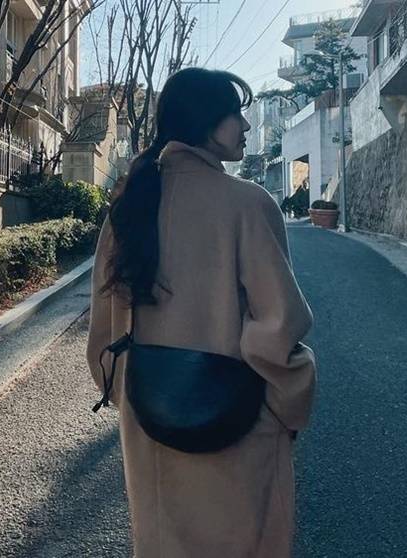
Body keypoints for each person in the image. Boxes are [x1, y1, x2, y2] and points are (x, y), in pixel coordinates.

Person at [86, 67, 317, 558]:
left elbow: (106, 328)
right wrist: (290, 400)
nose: (246, 125)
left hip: (150, 423)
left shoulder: (132, 202)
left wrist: (135, 396)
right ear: (205, 121)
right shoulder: (247, 203)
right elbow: (278, 326)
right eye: (235, 114)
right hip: (238, 424)